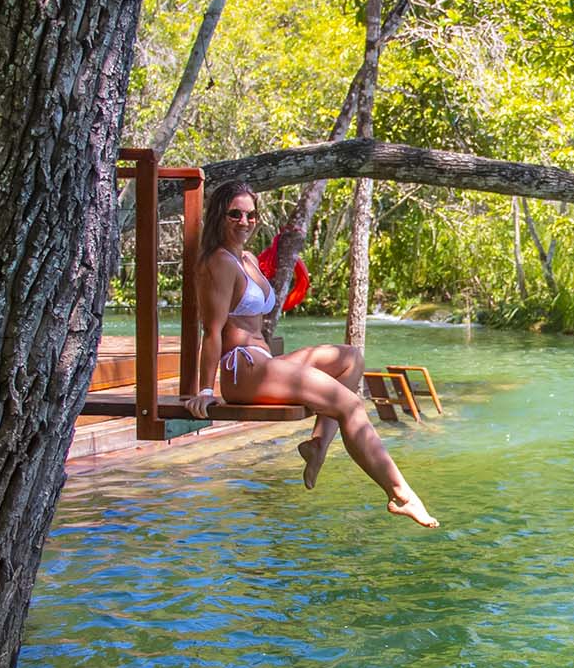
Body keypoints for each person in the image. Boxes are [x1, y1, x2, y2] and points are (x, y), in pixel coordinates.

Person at [185, 180, 438, 528]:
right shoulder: (220, 262)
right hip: (242, 371)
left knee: (350, 358)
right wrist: (205, 391)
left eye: (251, 215)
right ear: (219, 216)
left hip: (264, 364)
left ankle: (318, 445)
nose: (244, 221)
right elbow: (212, 331)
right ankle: (401, 495)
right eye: (235, 214)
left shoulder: (247, 260)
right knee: (349, 405)